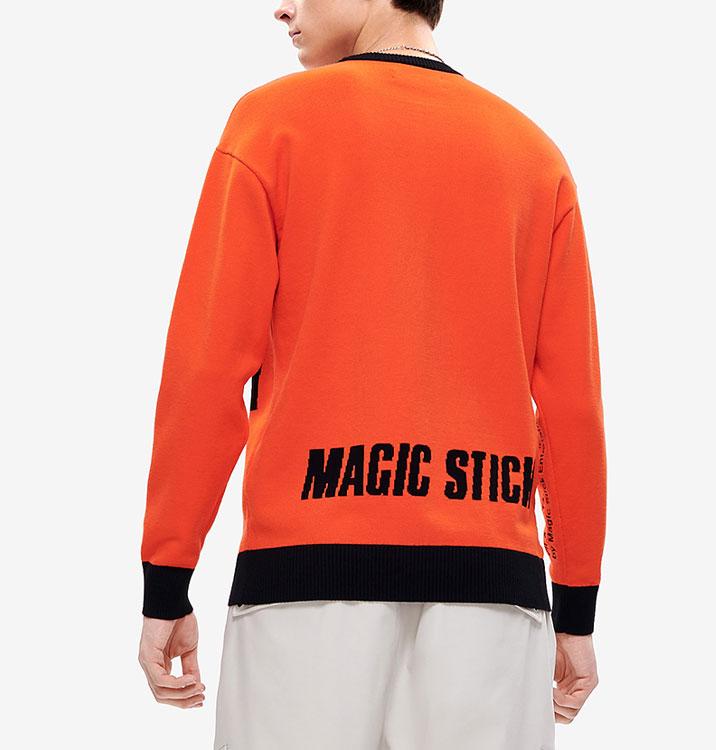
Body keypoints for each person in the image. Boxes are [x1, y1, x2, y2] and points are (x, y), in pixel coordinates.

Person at [137, 1, 607, 747]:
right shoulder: (533, 154)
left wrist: (167, 578)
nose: (282, 8)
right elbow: (574, 404)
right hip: (492, 593)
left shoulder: (273, 124)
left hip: (306, 584)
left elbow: (206, 368)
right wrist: (575, 607)